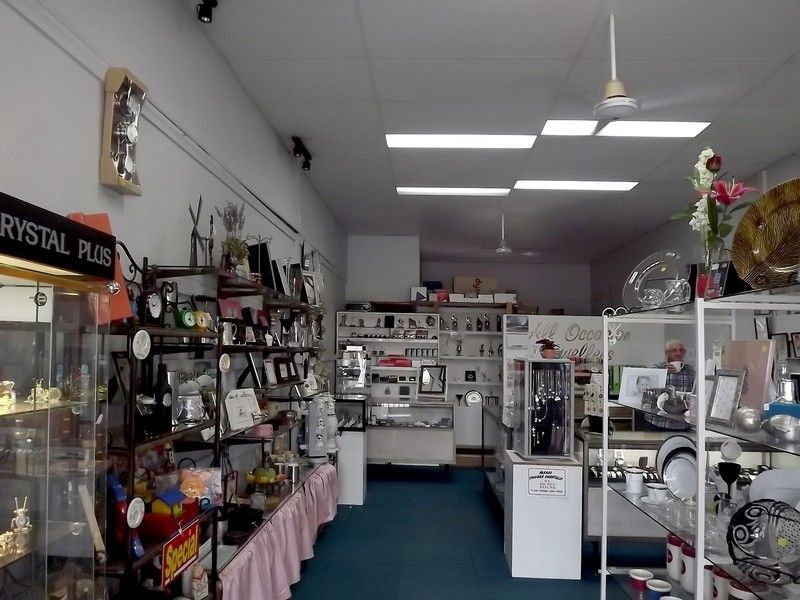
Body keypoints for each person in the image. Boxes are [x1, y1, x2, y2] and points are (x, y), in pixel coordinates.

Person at [642, 339, 696, 431]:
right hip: (657, 422)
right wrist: (663, 373)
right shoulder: (658, 368)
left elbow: (694, 394)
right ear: (667, 353)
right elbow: (647, 391)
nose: (678, 353)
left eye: (681, 350)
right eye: (674, 350)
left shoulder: (691, 371)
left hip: (681, 424)